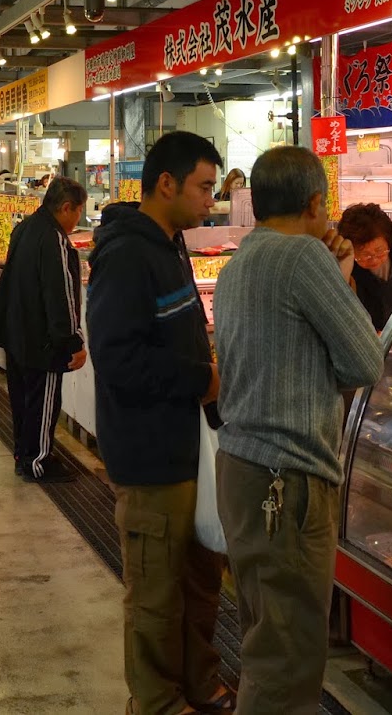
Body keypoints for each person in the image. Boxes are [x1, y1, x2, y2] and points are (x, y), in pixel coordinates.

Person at [212, 147, 384, 714]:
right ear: (315, 203)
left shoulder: (240, 262)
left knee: (267, 635)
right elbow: (366, 362)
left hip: (242, 469)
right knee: (289, 656)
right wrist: (341, 275)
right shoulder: (304, 258)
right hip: (289, 482)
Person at [87, 131, 234, 715]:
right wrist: (202, 380)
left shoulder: (171, 245)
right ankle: (155, 701)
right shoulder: (127, 254)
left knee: (199, 579)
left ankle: (199, 681)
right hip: (149, 454)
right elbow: (118, 358)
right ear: (166, 183)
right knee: (155, 591)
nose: (210, 200)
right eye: (203, 187)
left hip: (189, 444)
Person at [0, 177, 87, 483]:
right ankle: (38, 461)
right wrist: (72, 341)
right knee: (43, 403)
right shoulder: (54, 239)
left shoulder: (26, 227)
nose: (77, 219)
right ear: (66, 207)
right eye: (78, 212)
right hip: (42, 339)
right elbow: (60, 294)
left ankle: (23, 455)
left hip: (16, 331)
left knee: (23, 401)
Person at [337, 203, 392, 330]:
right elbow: (348, 317)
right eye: (365, 255)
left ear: (388, 241)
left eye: (379, 250)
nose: (374, 259)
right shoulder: (347, 270)